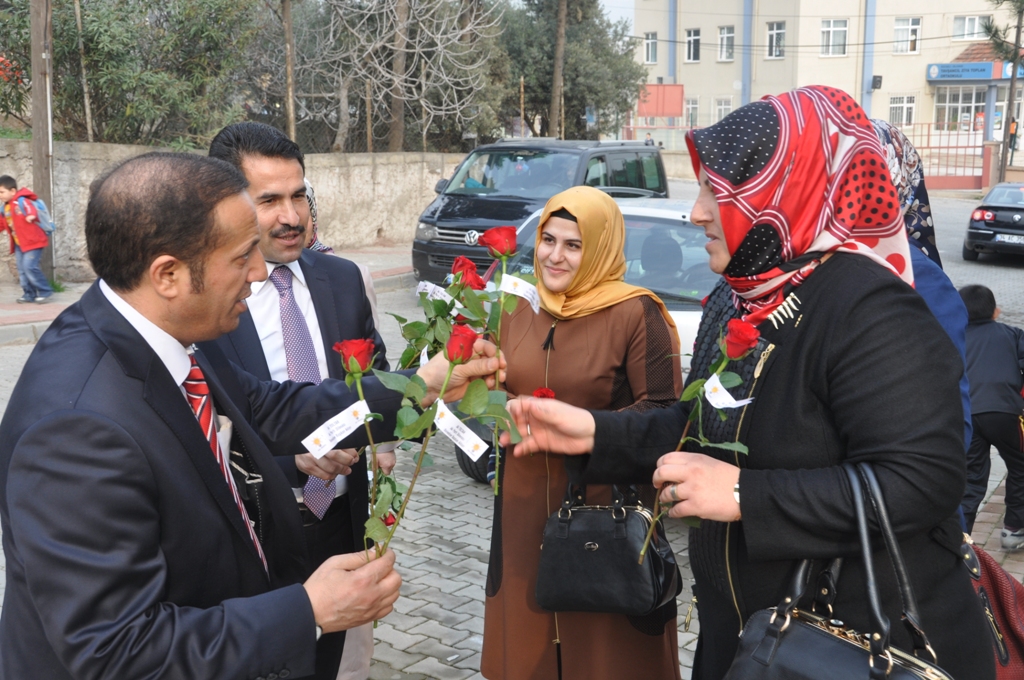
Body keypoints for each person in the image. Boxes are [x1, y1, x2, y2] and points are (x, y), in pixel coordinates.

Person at [502, 87, 994, 680]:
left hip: (849, 650)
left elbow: (924, 479)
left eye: (716, 190)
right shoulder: (753, 297)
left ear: (781, 191)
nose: (697, 212)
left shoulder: (872, 310)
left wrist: (743, 496)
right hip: (752, 644)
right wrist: (593, 434)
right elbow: (705, 425)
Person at [0, 152, 504, 680]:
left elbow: (271, 408)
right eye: (242, 258)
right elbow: (120, 651)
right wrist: (307, 611)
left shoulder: (160, 335)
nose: (260, 273)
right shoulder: (77, 430)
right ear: (168, 274)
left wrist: (419, 387)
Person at [197, 122, 390, 679]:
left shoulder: (343, 280)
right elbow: (208, 425)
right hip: (251, 532)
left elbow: (369, 384)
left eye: (299, 194)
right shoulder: (207, 301)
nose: (292, 216)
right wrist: (293, 461)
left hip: (338, 524)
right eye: (270, 200)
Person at [481, 186, 683, 680]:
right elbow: (487, 388)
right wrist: (487, 401)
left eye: (573, 244)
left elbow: (666, 415)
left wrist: (590, 429)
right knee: (528, 646)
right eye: (548, 239)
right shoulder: (514, 304)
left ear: (601, 248)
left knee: (607, 656)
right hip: (523, 508)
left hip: (605, 517)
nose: (554, 255)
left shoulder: (638, 313)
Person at [957, 284, 1024, 546]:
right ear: (995, 311)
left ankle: (961, 540)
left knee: (972, 476)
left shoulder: (955, 337)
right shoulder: (1012, 334)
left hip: (967, 415)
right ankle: (1013, 531)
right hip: (1006, 413)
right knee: (1020, 467)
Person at [0, 175, 53, 303]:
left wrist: (30, 216)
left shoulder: (22, 200)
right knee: (22, 269)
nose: (0, 195)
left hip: (34, 242)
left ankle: (45, 290)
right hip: (20, 244)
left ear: (12, 191)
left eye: (2, 192)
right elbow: (2, 223)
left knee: (29, 267)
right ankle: (29, 294)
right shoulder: (4, 208)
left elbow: (31, 210)